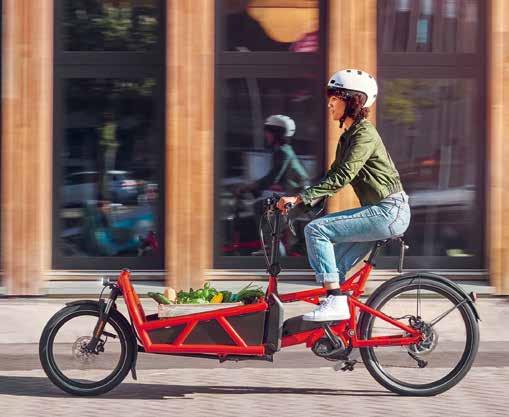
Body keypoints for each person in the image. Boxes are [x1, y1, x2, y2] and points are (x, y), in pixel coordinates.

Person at [277, 69, 411, 322]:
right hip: (379, 212)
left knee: (316, 230)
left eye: (335, 98)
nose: (329, 103)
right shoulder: (348, 136)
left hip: (388, 211)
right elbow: (332, 175)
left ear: (353, 101)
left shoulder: (364, 134)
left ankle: (336, 304)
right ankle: (339, 330)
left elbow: (343, 175)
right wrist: (298, 205)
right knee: (335, 270)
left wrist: (301, 198)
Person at [236, 114, 310, 196]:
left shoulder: (282, 152)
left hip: (301, 195)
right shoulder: (285, 149)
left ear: (277, 134)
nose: (266, 135)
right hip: (297, 193)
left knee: (261, 203)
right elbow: (277, 181)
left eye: (268, 132)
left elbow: (272, 178)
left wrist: (248, 187)